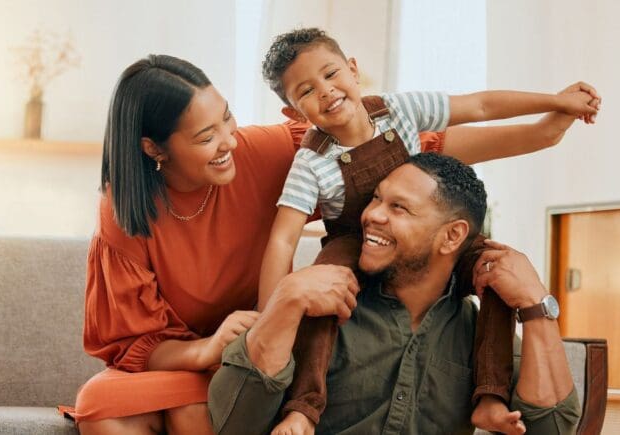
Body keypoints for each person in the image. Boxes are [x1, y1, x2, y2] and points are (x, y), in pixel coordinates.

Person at [60, 54, 586, 435]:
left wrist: (543, 132)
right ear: (154, 149)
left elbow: (406, 157)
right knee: (104, 404)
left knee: (197, 413)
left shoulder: (266, 152)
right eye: (205, 138)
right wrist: (211, 345)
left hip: (263, 349)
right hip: (201, 354)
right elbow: (131, 343)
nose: (228, 142)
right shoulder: (124, 214)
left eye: (227, 118)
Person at [254, 28, 599, 435]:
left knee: (498, 269)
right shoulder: (311, 162)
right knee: (320, 300)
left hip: (424, 226)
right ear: (294, 114)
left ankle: (490, 397)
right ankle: (303, 407)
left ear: (352, 68)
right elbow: (282, 239)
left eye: (330, 74)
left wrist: (557, 101)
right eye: (307, 91)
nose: (326, 91)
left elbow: (482, 105)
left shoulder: (400, 110)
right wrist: (269, 315)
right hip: (353, 241)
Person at [210, 152, 581, 435]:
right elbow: (234, 424)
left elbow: (552, 428)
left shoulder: (480, 335)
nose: (373, 215)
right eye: (375, 198)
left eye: (398, 208)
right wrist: (287, 298)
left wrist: (536, 305)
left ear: (452, 236)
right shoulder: (320, 309)